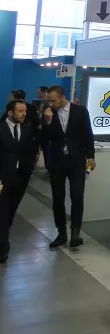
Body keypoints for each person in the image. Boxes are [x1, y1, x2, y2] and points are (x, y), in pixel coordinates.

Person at [43, 85, 95, 249]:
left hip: (76, 160)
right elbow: (44, 138)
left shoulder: (80, 111)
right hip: (57, 161)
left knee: (77, 195)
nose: (50, 104)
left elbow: (88, 134)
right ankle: (61, 233)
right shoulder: (48, 113)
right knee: (58, 197)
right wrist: (47, 121)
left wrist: (91, 156)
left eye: (53, 100)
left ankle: (75, 233)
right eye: (49, 101)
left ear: (62, 97)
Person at [0, 99, 40, 263]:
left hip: (21, 177)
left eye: (25, 111)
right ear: (10, 113)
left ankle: (3, 237)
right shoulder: (1, 129)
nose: (24, 114)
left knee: (11, 210)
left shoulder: (27, 130)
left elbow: (32, 149)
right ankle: (3, 246)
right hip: (2, 178)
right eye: (21, 111)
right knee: (2, 210)